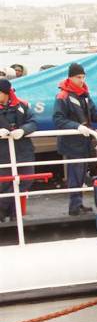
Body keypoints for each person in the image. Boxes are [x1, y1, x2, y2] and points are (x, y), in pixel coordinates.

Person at [53, 62, 97, 216]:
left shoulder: (84, 95)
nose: (81, 80)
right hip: (72, 143)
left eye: (83, 77)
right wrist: (76, 126)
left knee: (81, 174)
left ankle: (78, 204)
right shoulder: (62, 96)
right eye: (78, 77)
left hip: (84, 142)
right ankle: (74, 206)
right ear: (70, 78)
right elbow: (58, 119)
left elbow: (94, 113)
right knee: (75, 175)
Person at [0, 79, 37, 222]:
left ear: (5, 93)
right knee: (5, 183)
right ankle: (11, 215)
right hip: (3, 153)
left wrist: (23, 130)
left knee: (26, 179)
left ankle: (3, 208)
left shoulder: (22, 105)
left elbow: (33, 122)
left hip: (23, 150)